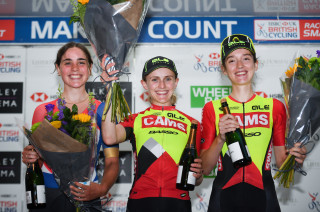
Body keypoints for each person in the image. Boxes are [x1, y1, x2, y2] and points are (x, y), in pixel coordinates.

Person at [200, 34, 307, 212]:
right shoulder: (213, 108)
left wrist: (295, 159)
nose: (240, 66)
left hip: (263, 195)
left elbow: (281, 163)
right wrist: (220, 138)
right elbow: (204, 168)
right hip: (224, 197)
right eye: (232, 60)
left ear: (256, 65)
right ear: (224, 69)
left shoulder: (274, 107)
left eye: (246, 59)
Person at [22, 42, 119, 212]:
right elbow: (39, 159)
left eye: (81, 62)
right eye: (67, 62)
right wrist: (31, 156)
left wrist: (102, 188)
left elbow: (112, 160)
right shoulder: (43, 111)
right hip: (49, 195)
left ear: (89, 68)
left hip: (86, 193)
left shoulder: (102, 110)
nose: (75, 68)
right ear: (58, 69)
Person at [100, 55, 203, 212]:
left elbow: (197, 178)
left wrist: (198, 174)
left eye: (168, 79)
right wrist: (110, 91)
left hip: (178, 201)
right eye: (154, 79)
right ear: (144, 84)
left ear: (176, 82)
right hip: (141, 200)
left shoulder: (193, 124)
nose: (162, 85)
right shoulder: (135, 120)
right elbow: (109, 137)